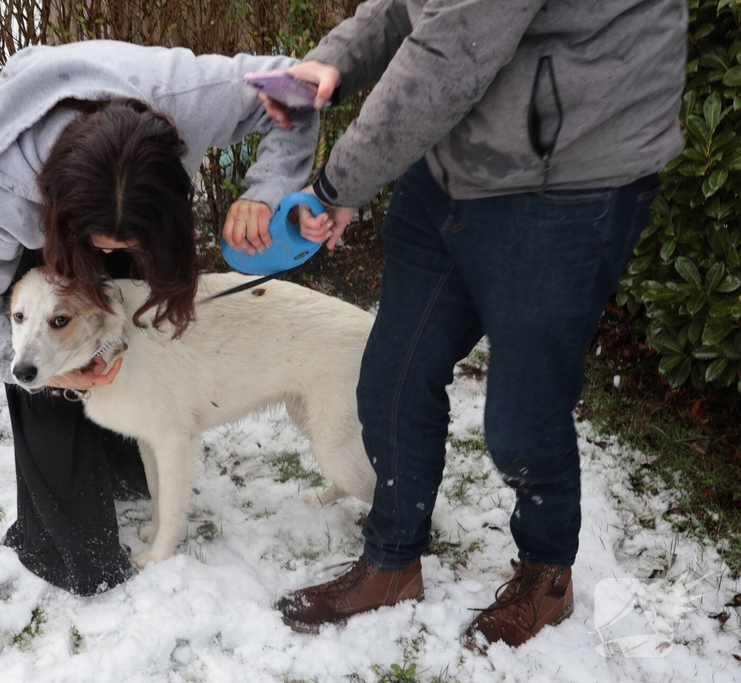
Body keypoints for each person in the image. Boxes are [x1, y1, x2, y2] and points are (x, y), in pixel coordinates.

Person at [266, 0, 687, 650]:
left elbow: (451, 52)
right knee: (392, 378)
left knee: (523, 418)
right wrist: (338, 57)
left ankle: (547, 572)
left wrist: (333, 187)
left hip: (567, 182)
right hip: (453, 167)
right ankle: (391, 561)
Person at [0, 40, 322, 596]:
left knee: (140, 338)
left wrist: (266, 192)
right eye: (104, 243)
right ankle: (68, 544)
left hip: (128, 198)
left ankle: (128, 453)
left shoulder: (194, 96)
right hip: (40, 228)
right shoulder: (3, 193)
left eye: (127, 243)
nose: (112, 254)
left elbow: (299, 89)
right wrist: (33, 366)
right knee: (45, 364)